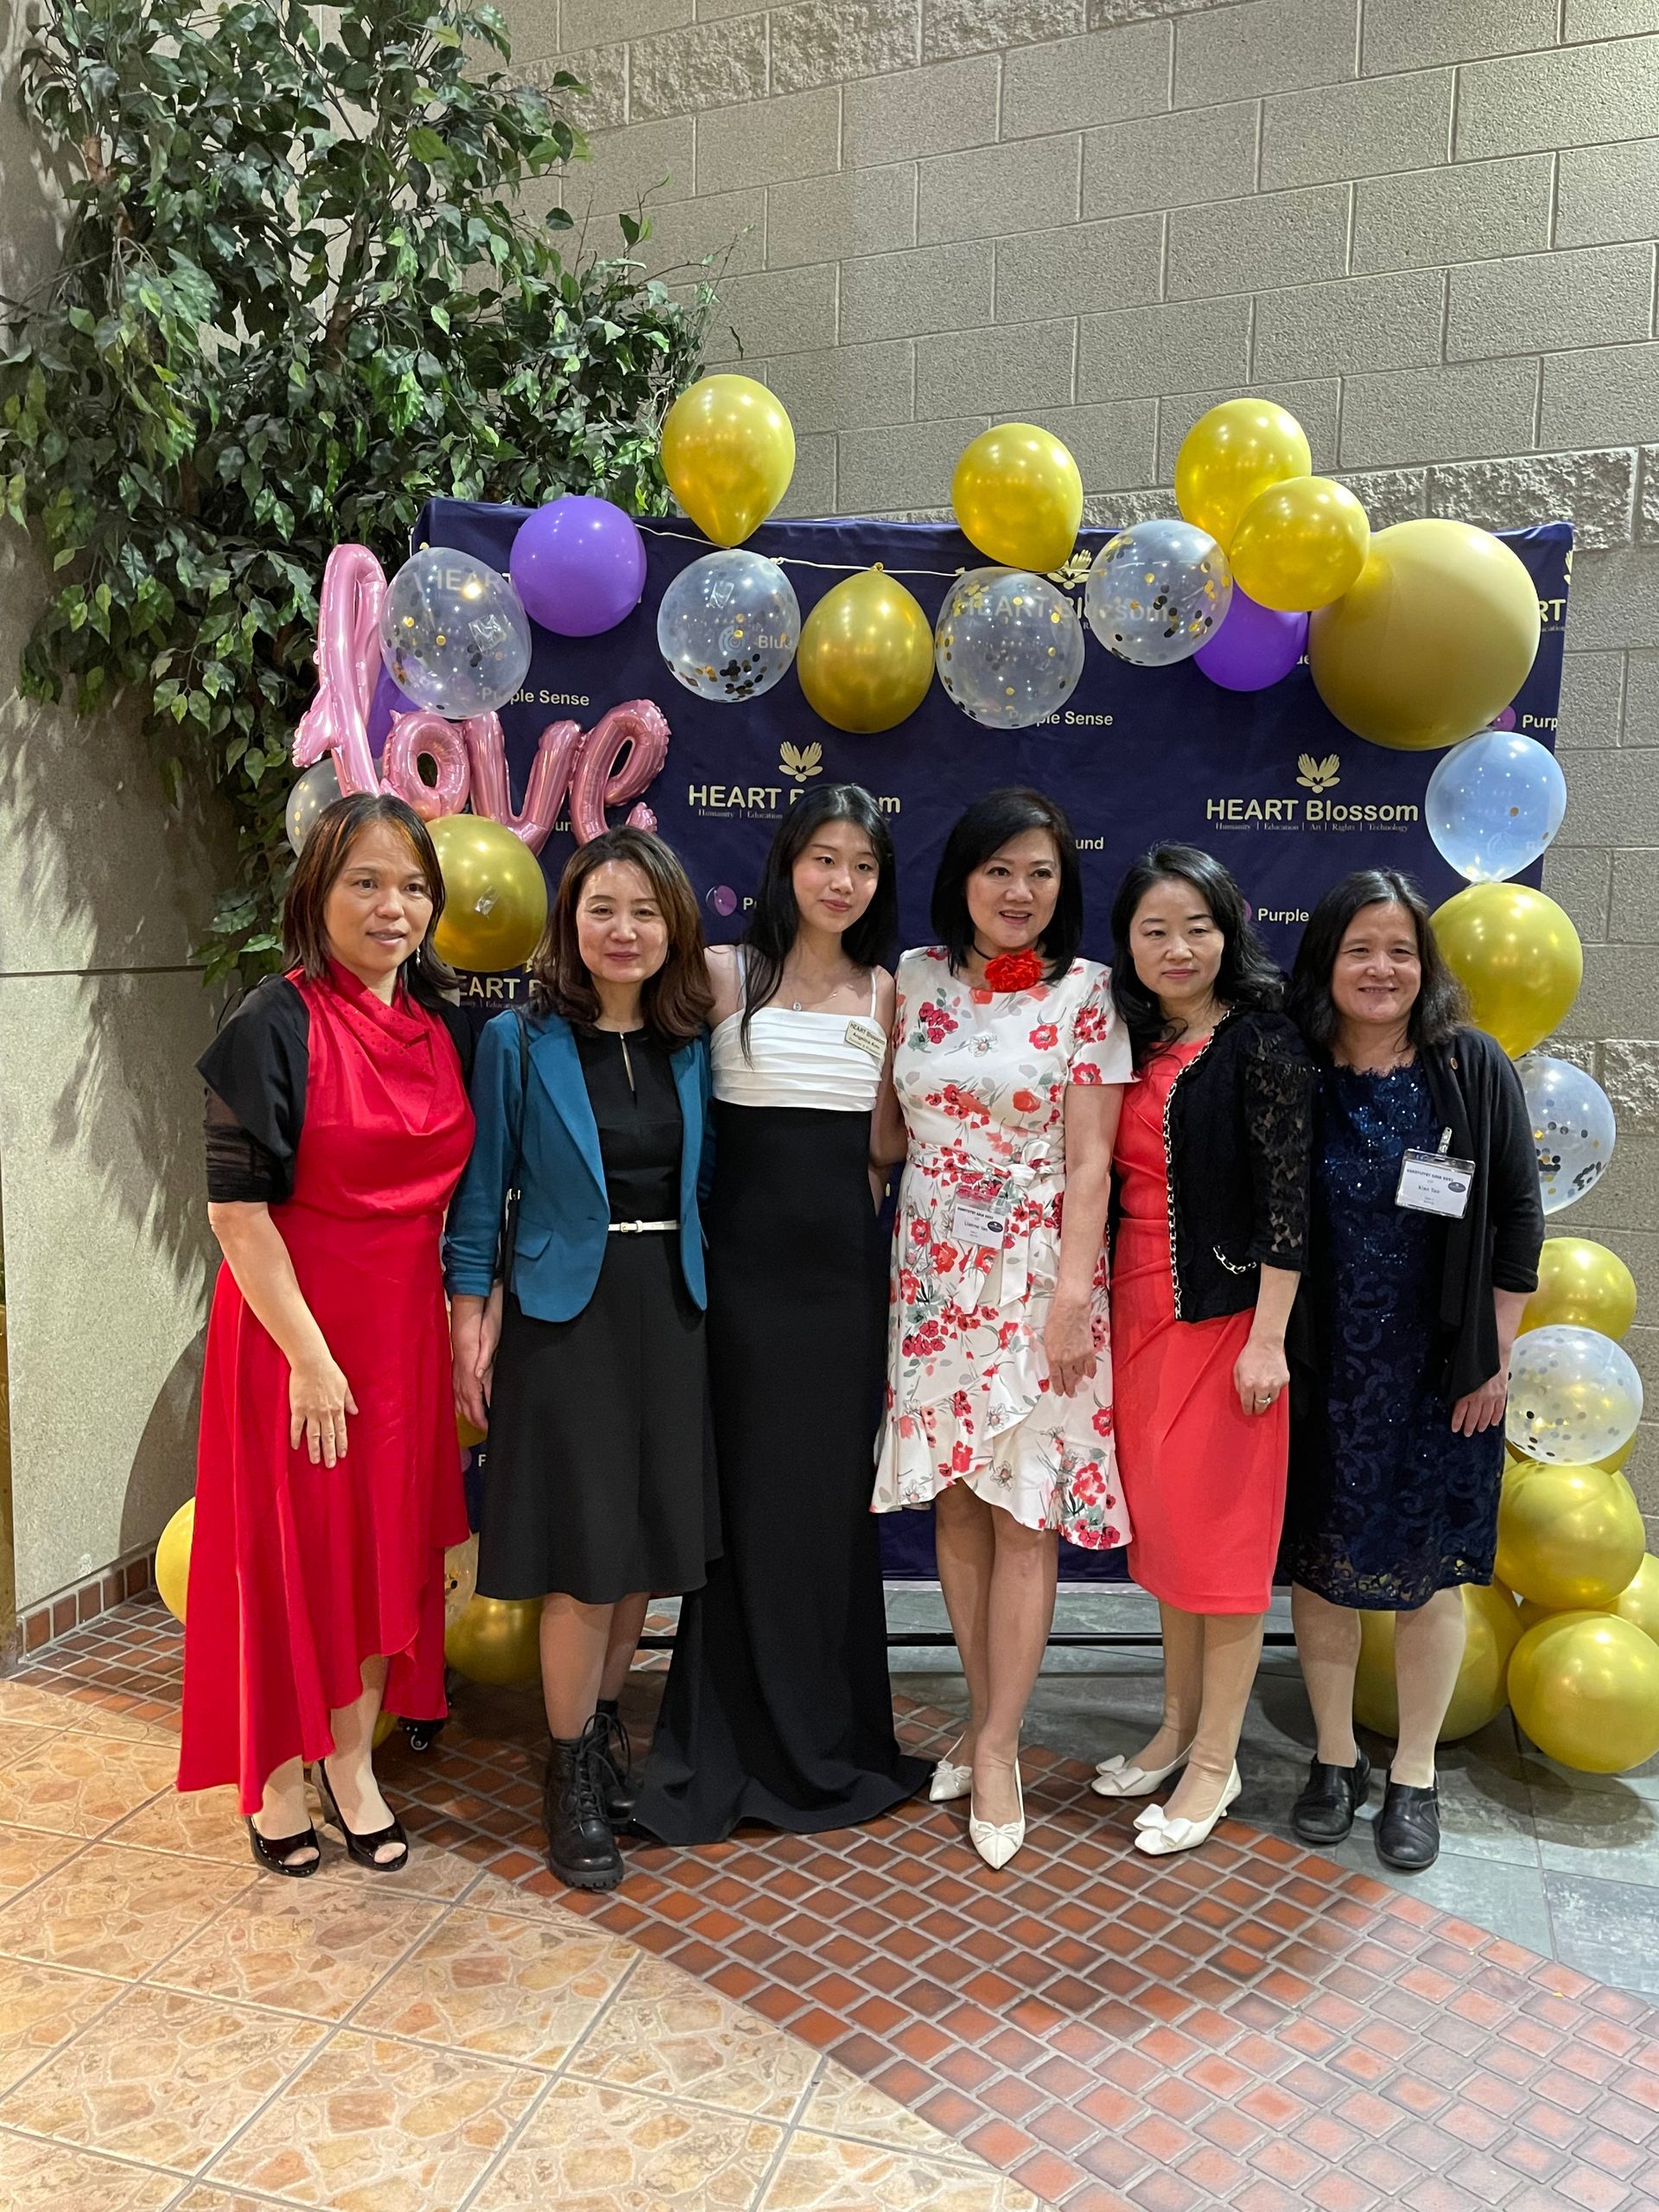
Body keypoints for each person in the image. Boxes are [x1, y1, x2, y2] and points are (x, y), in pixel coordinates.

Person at [180, 793, 475, 1876]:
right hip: (295, 1337)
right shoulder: (275, 1019)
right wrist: (308, 1356)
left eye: (411, 885)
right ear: (317, 893)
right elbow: (234, 1210)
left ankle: (353, 1766)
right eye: (366, 882)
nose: (392, 906)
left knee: (379, 1553)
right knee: (291, 1551)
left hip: (401, 1337)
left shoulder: (439, 1026)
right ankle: (272, 1779)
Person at [635, 786, 930, 1843]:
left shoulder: (892, 993)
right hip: (741, 1290)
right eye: (824, 858)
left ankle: (832, 1738)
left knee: (825, 1512)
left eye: (861, 864)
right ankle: (729, 1736)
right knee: (746, 1508)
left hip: (845, 1289)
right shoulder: (722, 974)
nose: (841, 880)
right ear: (788, 863)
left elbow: (889, 1148)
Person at [446, 826, 718, 1893]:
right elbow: (483, 1194)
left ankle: (605, 1734)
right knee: (581, 1551)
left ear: (673, 929)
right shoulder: (518, 1041)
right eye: (603, 908)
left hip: (673, 1310)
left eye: (645, 912)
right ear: (571, 919)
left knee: (644, 1545)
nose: (624, 930)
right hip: (566, 1317)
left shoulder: (692, 1041)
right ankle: (566, 1773)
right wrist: (472, 1311)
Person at [872, 788, 1131, 1871]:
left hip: (1036, 1281)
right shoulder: (916, 979)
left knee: (1023, 1512)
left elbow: (1089, 1163)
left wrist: (1073, 1298)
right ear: (962, 879)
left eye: (1040, 873)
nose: (1019, 893)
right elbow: (888, 1129)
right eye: (998, 871)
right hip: (932, 1272)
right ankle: (988, 1724)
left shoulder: (1089, 994)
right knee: (959, 1510)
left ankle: (996, 1747)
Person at [1282, 868, 1542, 1872]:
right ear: (1328, 963)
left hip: (1443, 1375)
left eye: (1401, 950)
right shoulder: (1298, 1067)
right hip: (1326, 1371)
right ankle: (1336, 1756)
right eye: (1361, 949)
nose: (1381, 968)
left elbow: (1518, 1216)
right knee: (1322, 1567)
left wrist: (1495, 1355)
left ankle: (1416, 1774)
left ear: (1424, 964)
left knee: (1431, 1575)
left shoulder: (1470, 1066)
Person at [1089, 846, 1313, 1859]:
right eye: (1153, 930)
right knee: (1171, 1540)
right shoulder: (1128, 1035)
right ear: (1127, 944)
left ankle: (1217, 1764)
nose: (1176, 949)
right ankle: (1175, 1727)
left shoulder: (1261, 1041)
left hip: (1228, 1324)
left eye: (1196, 928)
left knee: (1220, 1552)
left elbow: (1288, 1203)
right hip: (1136, 1316)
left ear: (1228, 931)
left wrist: (1268, 1338)